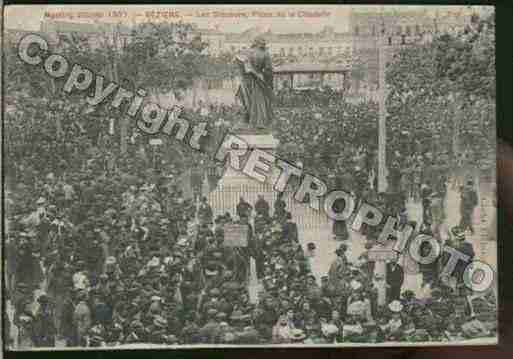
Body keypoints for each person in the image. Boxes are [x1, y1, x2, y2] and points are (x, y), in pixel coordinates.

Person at [235, 35, 274, 129]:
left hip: (246, 80)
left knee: (247, 100)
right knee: (259, 102)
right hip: (258, 79)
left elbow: (238, 60)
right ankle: (259, 123)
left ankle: (246, 120)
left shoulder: (246, 52)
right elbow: (269, 70)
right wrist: (269, 83)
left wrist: (243, 73)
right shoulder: (265, 53)